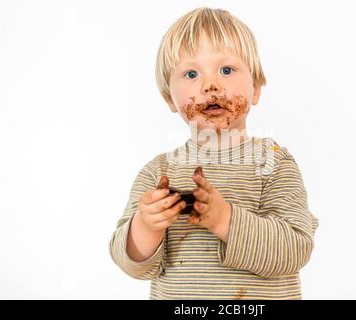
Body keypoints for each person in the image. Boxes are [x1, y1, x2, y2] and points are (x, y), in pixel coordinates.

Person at [109, 7, 319, 299]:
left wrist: (224, 220)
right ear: (170, 98)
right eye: (191, 73)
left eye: (227, 70)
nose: (211, 85)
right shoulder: (159, 173)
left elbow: (295, 250)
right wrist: (145, 226)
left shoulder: (273, 164)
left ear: (256, 89)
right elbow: (131, 264)